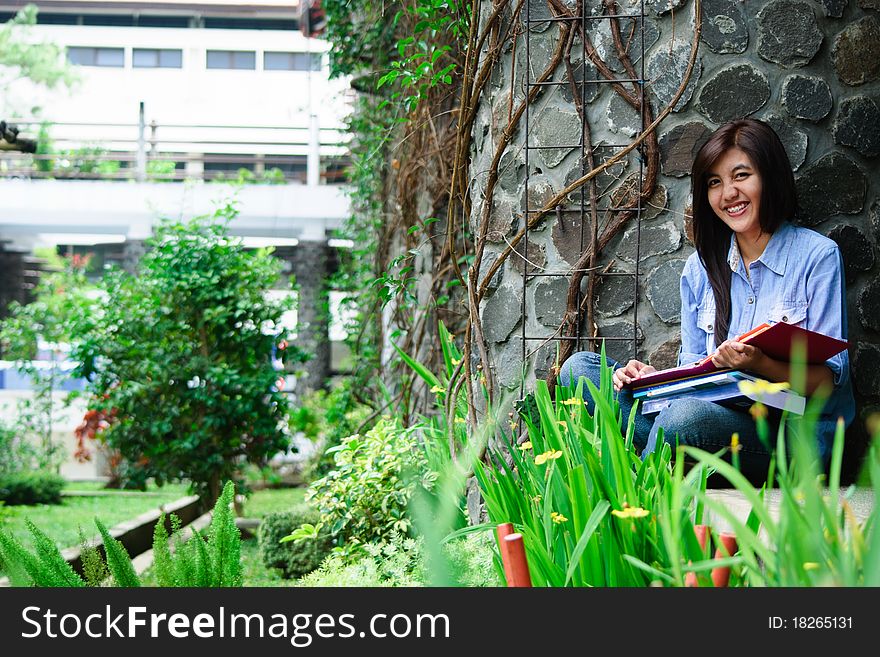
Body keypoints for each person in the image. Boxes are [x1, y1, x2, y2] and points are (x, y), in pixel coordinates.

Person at [559, 118, 855, 482]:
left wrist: (760, 362)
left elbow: (827, 383)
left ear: (770, 176)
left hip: (790, 438)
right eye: (715, 182)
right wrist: (654, 381)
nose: (728, 193)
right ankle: (658, 453)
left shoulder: (817, 257)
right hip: (707, 416)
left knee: (683, 419)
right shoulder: (700, 268)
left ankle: (636, 501)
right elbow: (697, 371)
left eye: (741, 175)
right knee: (580, 369)